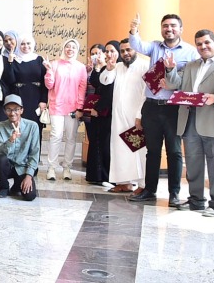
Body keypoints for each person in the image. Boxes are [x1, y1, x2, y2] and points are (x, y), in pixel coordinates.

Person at [127, 14, 198, 205]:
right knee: (152, 151)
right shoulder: (154, 47)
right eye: (165, 26)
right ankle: (149, 190)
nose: (169, 29)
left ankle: (174, 194)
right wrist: (134, 30)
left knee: (174, 152)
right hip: (151, 107)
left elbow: (195, 78)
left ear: (181, 29)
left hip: (174, 108)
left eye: (173, 26)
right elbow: (137, 45)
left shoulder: (191, 52)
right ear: (161, 29)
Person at [165, 30, 214, 217]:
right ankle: (196, 200)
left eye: (207, 43)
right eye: (199, 44)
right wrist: (170, 70)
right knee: (194, 164)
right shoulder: (191, 65)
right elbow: (175, 85)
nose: (203, 47)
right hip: (190, 120)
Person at [100, 39, 149, 194]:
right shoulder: (119, 66)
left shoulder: (144, 66)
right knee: (119, 150)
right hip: (119, 118)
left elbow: (146, 94)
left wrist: (139, 115)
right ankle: (124, 183)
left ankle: (142, 184)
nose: (126, 53)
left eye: (129, 50)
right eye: (122, 51)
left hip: (135, 118)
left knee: (138, 150)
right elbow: (105, 80)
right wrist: (108, 69)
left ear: (136, 49)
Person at [42, 38, 88, 181]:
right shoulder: (55, 64)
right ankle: (51, 167)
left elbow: (82, 88)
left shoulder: (81, 67)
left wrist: (80, 107)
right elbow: (49, 85)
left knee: (71, 137)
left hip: (73, 108)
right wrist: (49, 70)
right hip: (57, 106)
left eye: (73, 47)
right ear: (63, 48)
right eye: (67, 47)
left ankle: (67, 167)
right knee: (55, 136)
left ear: (77, 50)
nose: (70, 49)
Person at [0, 94, 40, 201]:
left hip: (23, 168)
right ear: (5, 111)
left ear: (22, 110)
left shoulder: (32, 126)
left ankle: (17, 185)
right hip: (6, 167)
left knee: (30, 196)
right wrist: (10, 140)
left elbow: (35, 153)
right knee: (0, 158)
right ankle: (4, 186)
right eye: (8, 109)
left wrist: (29, 176)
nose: (12, 113)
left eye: (16, 109)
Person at [84, 42, 114, 186]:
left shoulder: (113, 68)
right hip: (96, 110)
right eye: (93, 53)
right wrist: (96, 68)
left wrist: (100, 108)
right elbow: (96, 83)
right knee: (95, 141)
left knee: (105, 144)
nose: (96, 56)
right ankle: (95, 175)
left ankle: (106, 176)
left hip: (106, 111)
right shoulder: (98, 69)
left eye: (99, 53)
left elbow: (109, 91)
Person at [6, 32, 48, 134]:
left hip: (35, 99)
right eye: (22, 44)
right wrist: (10, 63)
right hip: (19, 98)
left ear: (33, 44)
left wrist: (43, 100)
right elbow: (10, 80)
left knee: (35, 129)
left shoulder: (39, 60)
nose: (26, 46)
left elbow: (44, 82)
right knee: (19, 128)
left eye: (28, 43)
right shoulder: (14, 59)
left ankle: (35, 150)